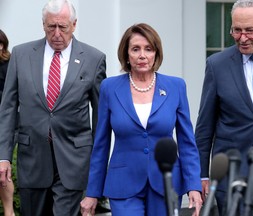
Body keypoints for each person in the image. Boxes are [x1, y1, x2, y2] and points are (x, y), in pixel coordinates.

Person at [80, 23, 203, 216]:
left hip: (166, 182)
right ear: (126, 54)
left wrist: (193, 185)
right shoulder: (109, 88)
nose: (142, 55)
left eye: (148, 49)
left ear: (156, 53)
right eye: (135, 49)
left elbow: (187, 142)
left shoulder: (176, 87)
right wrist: (93, 192)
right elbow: (101, 144)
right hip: (123, 184)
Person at [0, 0, 106, 215]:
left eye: (63, 27)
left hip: (73, 160)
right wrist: (3, 156)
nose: (57, 33)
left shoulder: (94, 59)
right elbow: (8, 108)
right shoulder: (21, 55)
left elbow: (101, 117)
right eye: (51, 27)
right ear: (43, 25)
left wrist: (96, 165)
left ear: (74, 25)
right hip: (33, 159)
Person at [195, 0, 253, 215]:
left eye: (250, 31)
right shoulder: (217, 64)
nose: (242, 38)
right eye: (236, 30)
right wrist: (201, 175)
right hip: (232, 178)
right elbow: (204, 127)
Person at [0, 29, 15, 216]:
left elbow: (10, 98)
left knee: (3, 171)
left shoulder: (8, 65)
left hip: (4, 126)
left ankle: (9, 212)